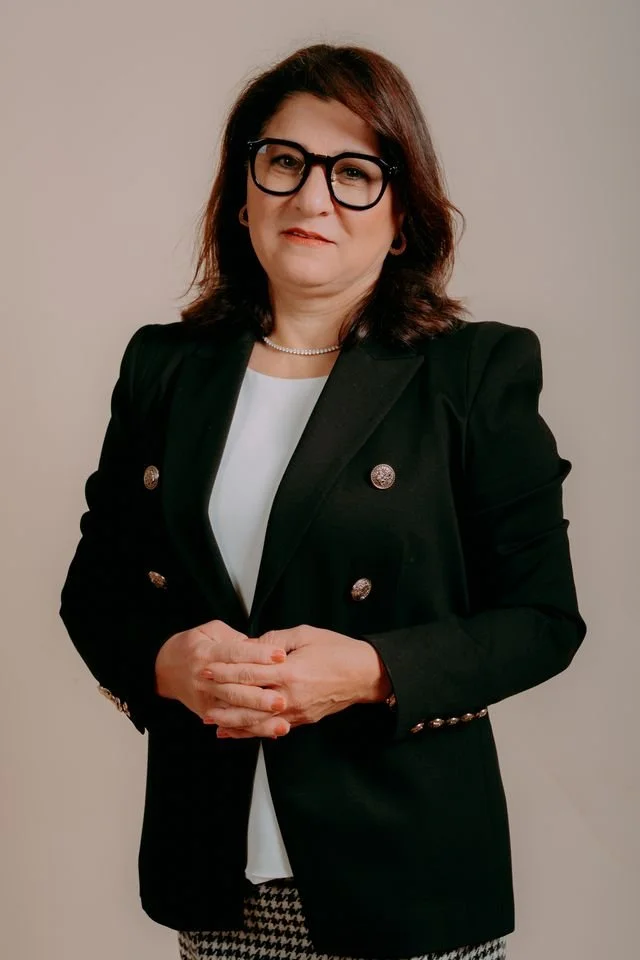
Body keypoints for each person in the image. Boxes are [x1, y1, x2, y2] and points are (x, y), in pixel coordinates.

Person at [59, 42, 587, 960]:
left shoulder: (475, 371)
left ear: (403, 219)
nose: (313, 199)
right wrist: (163, 663)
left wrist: (371, 671)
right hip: (215, 865)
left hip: (404, 862)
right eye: (285, 163)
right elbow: (93, 590)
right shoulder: (163, 369)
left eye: (355, 174)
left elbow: (543, 619)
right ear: (243, 192)